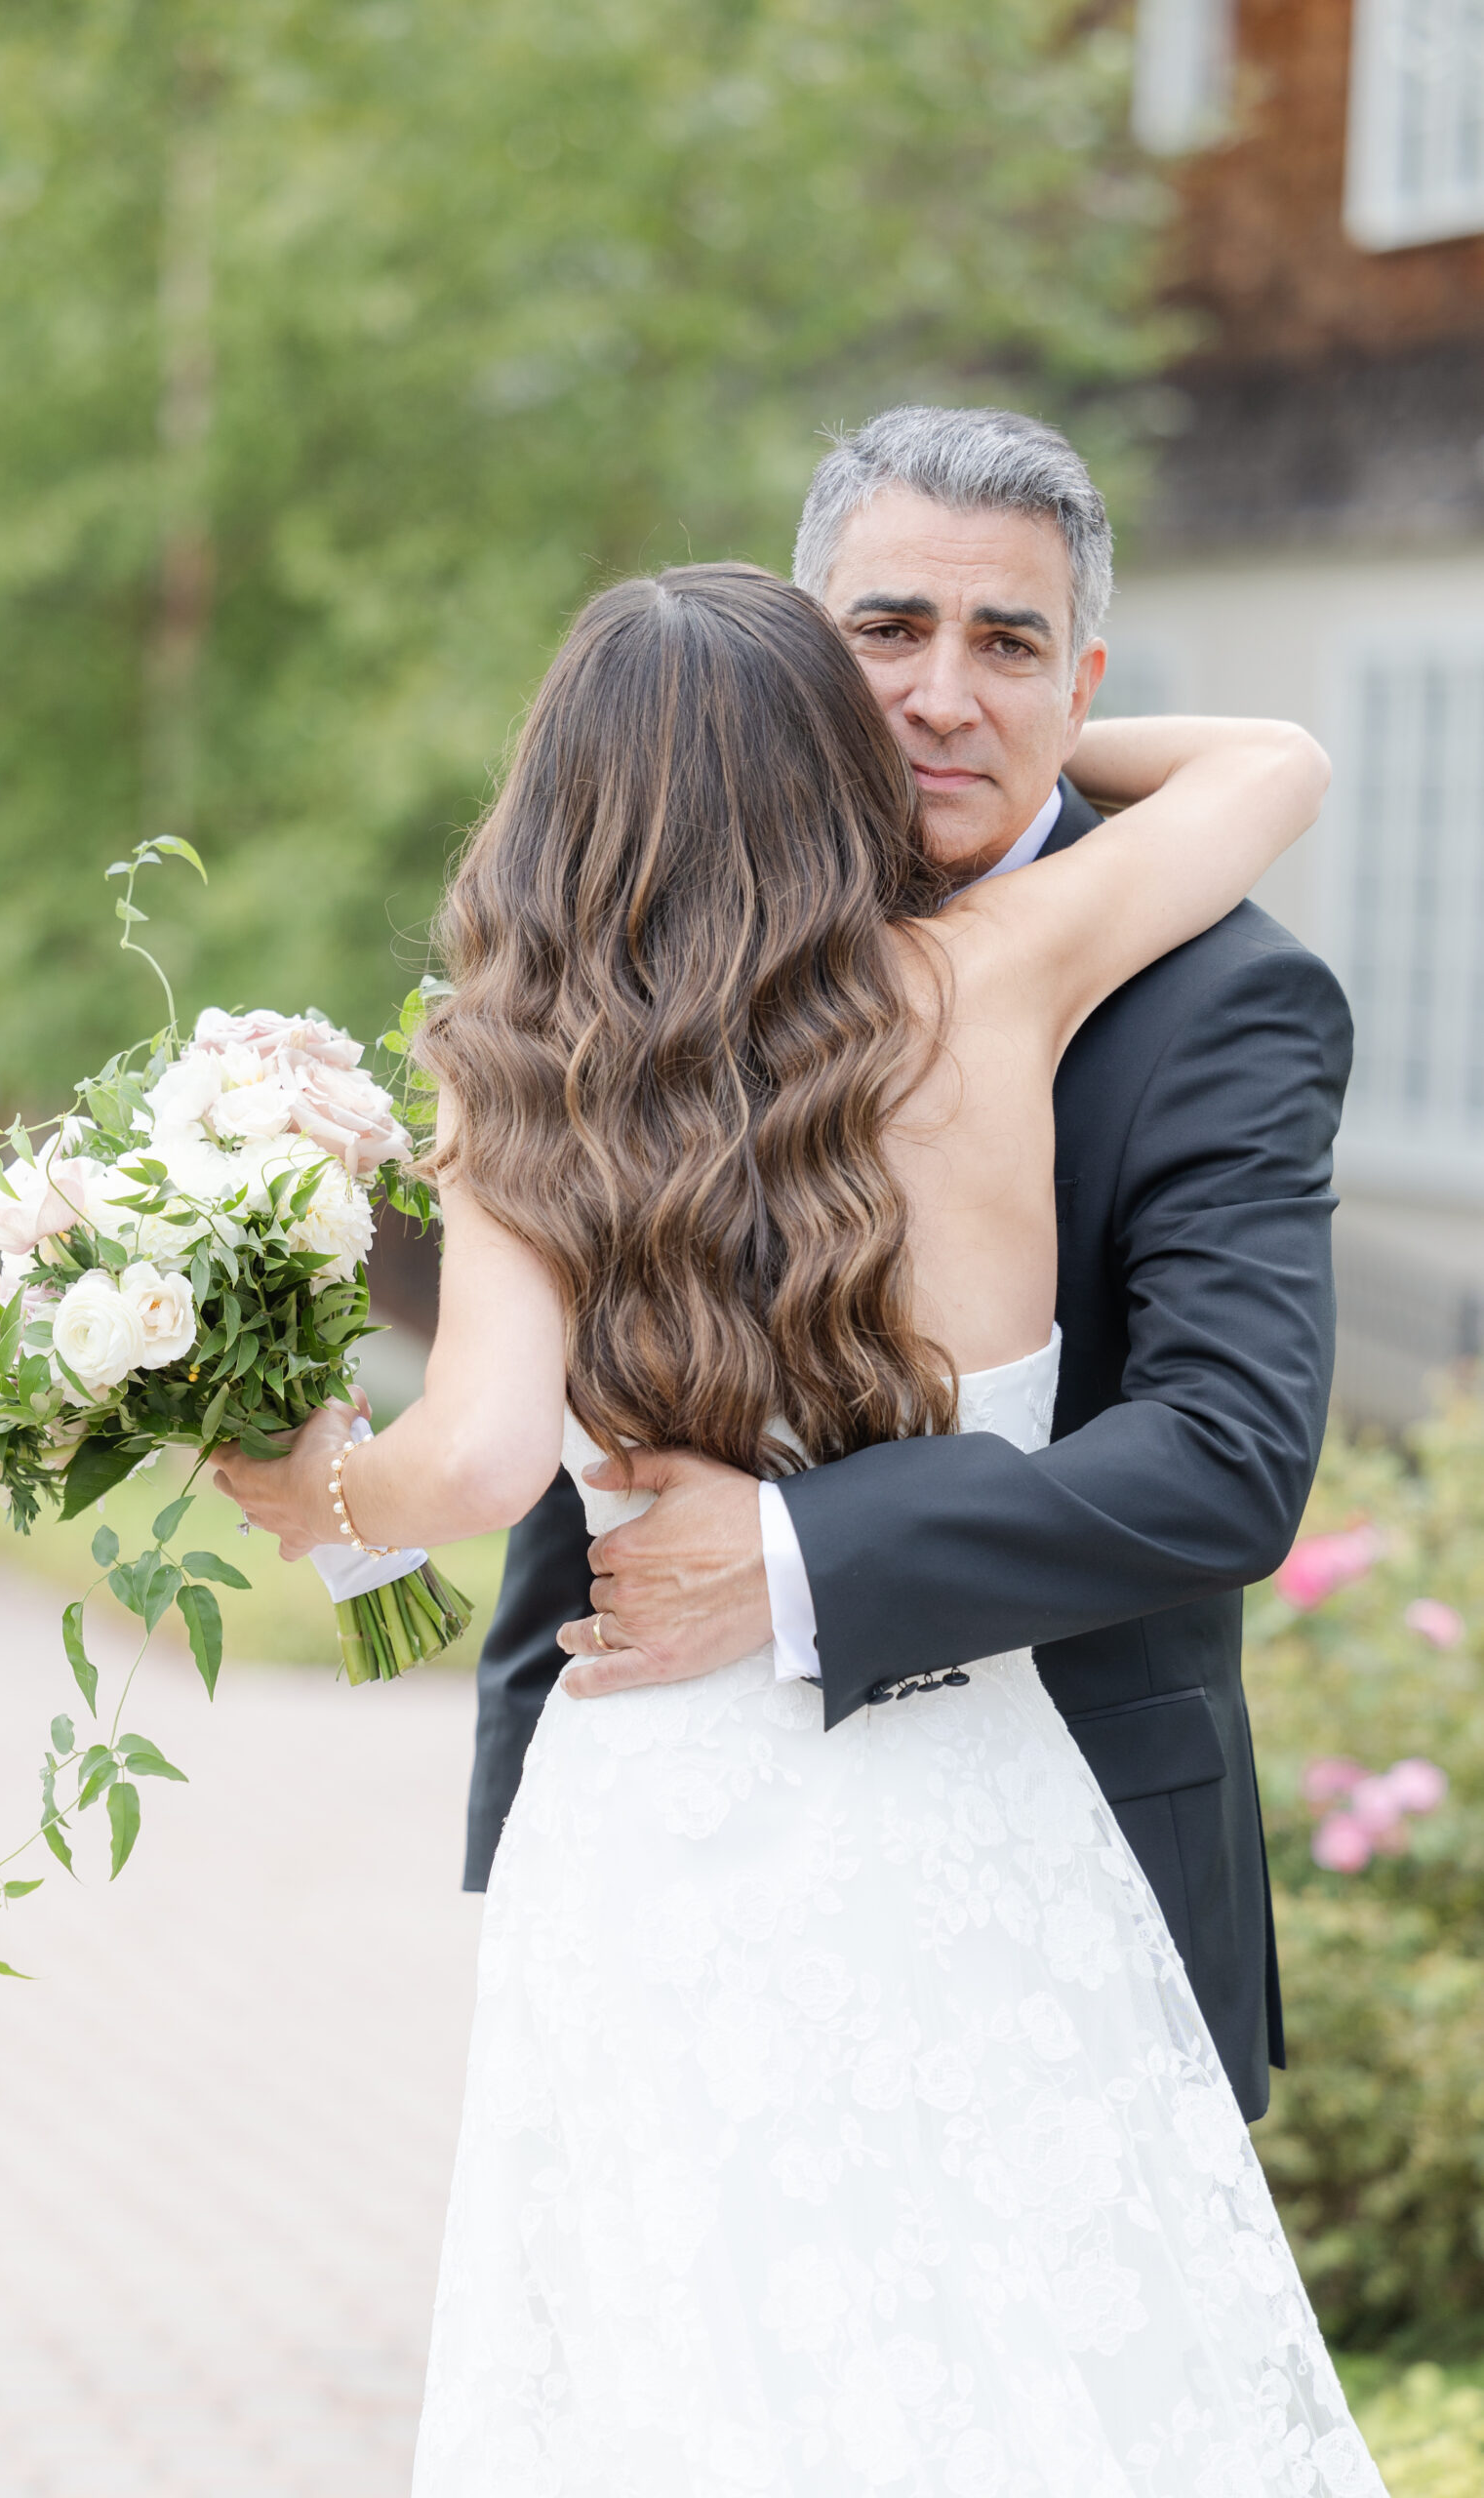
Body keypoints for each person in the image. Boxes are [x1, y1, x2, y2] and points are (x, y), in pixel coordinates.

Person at [214, 556, 1382, 2489]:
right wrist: (995, 723)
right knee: (1020, 2347)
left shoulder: (516, 1077)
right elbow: (1273, 758)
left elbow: (483, 1461)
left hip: (656, 1816)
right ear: (835, 770)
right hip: (969, 1789)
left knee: (690, 2364)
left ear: (557, 796)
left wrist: (316, 1479)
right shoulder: (996, 967)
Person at [466, 406, 1354, 2129]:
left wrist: (789, 1556)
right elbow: (583, 1441)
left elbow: (1227, 1462)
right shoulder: (677, 940)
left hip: (1055, 1895)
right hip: (671, 1901)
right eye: (888, 633)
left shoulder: (1225, 999)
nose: (945, 694)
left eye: (1007, 644)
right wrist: (528, 1878)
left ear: (1083, 679)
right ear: (801, 657)